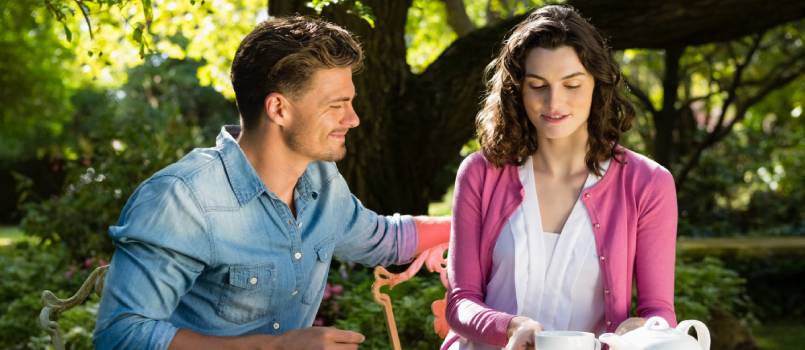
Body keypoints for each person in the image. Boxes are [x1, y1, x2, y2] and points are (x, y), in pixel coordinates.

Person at [93, 16, 449, 350]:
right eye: (337, 106)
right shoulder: (182, 198)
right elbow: (120, 335)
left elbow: (385, 240)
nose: (353, 119)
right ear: (279, 109)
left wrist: (483, 217)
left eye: (350, 103)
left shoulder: (322, 181)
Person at [442, 5, 678, 350]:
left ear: (598, 84)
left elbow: (660, 312)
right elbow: (460, 301)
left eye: (572, 85)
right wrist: (509, 327)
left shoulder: (647, 183)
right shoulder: (481, 173)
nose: (554, 102)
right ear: (516, 89)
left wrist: (642, 329)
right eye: (538, 85)